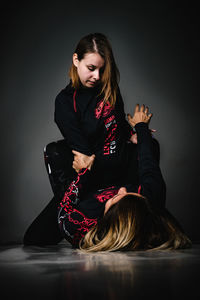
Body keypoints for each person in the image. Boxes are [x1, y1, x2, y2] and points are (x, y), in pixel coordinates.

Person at [45, 32, 154, 201]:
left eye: (101, 70)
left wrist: (131, 135)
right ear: (76, 60)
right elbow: (85, 156)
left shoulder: (109, 88)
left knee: (150, 145)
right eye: (91, 68)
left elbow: (116, 123)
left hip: (126, 177)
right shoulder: (65, 103)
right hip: (97, 183)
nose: (97, 76)